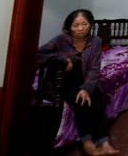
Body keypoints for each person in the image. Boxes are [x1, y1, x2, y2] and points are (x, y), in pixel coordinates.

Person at [37, 9, 119, 155]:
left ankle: (105, 143)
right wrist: (62, 60)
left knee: (98, 99)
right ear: (69, 26)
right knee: (81, 101)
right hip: (65, 81)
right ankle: (87, 143)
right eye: (76, 25)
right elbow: (40, 53)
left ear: (90, 25)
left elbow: (94, 69)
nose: (80, 28)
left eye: (84, 24)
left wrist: (86, 88)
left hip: (85, 78)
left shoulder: (95, 42)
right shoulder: (61, 40)